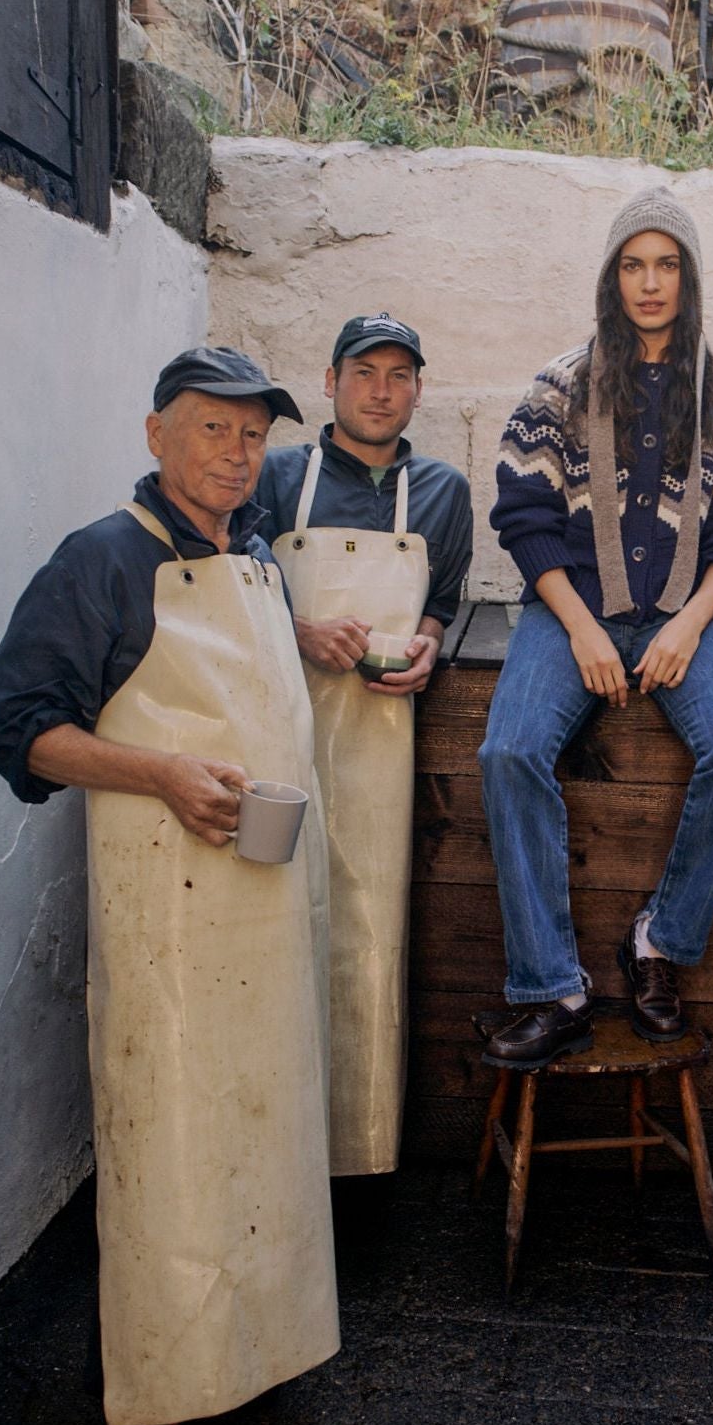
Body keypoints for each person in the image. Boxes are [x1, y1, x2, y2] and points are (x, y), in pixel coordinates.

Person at [0, 347, 340, 1425]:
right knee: (169, 1163)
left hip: (266, 920)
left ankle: (251, 1357)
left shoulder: (257, 560)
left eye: (253, 438)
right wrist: (161, 772)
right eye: (212, 432)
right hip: (172, 922)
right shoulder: (103, 558)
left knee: (265, 1145)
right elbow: (13, 726)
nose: (237, 456)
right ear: (157, 431)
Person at [478, 187, 713, 1066]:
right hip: (571, 607)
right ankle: (552, 987)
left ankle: (658, 942)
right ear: (613, 278)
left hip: (681, 610)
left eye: (667, 264)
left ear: (688, 280)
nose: (650, 283)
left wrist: (687, 624)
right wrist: (578, 628)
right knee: (506, 751)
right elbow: (524, 513)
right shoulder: (561, 384)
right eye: (633, 264)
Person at [258, 313, 473, 1174]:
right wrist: (300, 630)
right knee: (277, 924)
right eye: (364, 372)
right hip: (283, 726)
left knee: (370, 933)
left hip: (383, 734)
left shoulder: (443, 491)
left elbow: (444, 598)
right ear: (330, 382)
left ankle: (360, 1158)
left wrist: (423, 644)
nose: (380, 389)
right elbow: (245, 582)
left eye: (398, 375)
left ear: (417, 390)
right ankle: (279, 1144)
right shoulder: (278, 476)